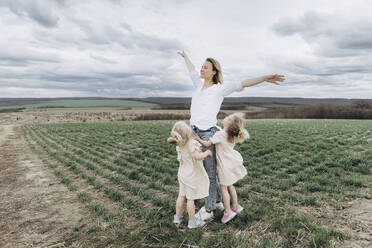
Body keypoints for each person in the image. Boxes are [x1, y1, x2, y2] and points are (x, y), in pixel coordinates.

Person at [178, 50, 285, 221]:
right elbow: (191, 69)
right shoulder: (198, 84)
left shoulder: (219, 89)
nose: (202, 70)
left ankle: (209, 209)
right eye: (202, 67)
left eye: (206, 67)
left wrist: (265, 77)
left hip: (207, 133)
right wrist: (185, 57)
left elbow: (243, 83)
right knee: (202, 169)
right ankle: (218, 201)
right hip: (194, 131)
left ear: (214, 71)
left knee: (209, 173)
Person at [196, 113, 249, 223]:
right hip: (231, 161)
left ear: (229, 124)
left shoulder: (219, 135)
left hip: (224, 165)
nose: (225, 118)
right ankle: (236, 206)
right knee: (230, 185)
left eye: (227, 118)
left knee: (224, 188)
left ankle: (228, 211)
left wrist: (198, 139)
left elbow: (206, 144)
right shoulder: (230, 133)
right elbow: (221, 132)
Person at [167, 121, 213, 228]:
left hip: (182, 173)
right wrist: (207, 153)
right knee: (190, 200)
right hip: (191, 175)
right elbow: (197, 156)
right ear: (187, 133)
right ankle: (192, 222)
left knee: (181, 196)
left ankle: (177, 218)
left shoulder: (178, 143)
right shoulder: (191, 143)